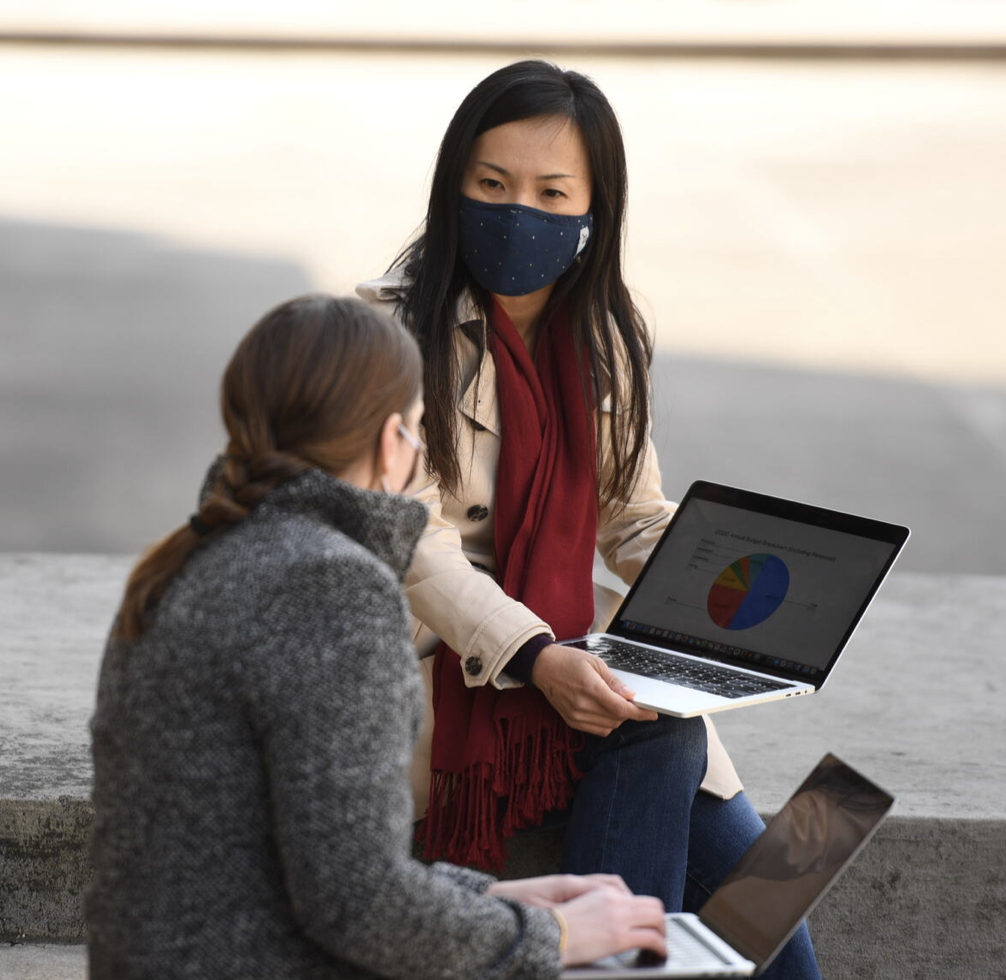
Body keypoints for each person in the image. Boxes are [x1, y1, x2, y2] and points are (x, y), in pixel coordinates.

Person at [357, 60, 821, 978]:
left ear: (593, 208)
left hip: (580, 655)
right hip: (450, 663)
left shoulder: (607, 332)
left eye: (550, 192)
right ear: (454, 186)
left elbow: (634, 519)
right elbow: (408, 540)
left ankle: (612, 959)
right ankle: (611, 958)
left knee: (779, 940)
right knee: (659, 733)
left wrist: (754, 590)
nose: (518, 211)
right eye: (492, 185)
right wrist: (534, 656)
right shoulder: (381, 335)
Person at [85, 294, 669, 979]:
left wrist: (502, 901)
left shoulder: (192, 557)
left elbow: (308, 876)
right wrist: (555, 937)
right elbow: (358, 906)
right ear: (393, 441)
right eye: (419, 429)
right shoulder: (330, 588)